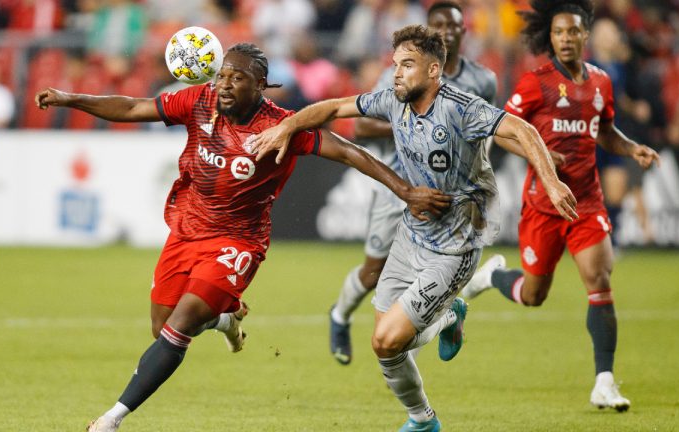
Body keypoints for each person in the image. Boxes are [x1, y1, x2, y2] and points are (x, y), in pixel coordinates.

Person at [35, 42, 450, 432]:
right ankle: (224, 319)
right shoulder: (199, 101)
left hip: (238, 242)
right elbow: (131, 106)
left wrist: (406, 191)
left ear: (260, 85)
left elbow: (346, 150)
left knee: (178, 327)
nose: (225, 85)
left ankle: (111, 418)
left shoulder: (281, 126)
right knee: (161, 327)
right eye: (222, 76)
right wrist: (72, 98)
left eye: (237, 78)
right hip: (186, 232)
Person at [250, 24, 577, 431]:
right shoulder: (392, 101)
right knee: (386, 346)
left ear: (434, 70)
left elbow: (523, 130)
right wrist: (287, 126)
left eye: (407, 65)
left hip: (456, 244)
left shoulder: (461, 107)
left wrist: (551, 179)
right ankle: (425, 408)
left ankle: (426, 409)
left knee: (388, 340)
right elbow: (334, 108)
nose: (397, 73)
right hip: (412, 233)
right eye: (395, 64)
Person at [460, 0, 660, 412]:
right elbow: (501, 133)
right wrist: (540, 156)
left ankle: (604, 381)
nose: (566, 39)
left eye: (572, 32)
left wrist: (631, 148)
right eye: (558, 33)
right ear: (549, 38)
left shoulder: (602, 82)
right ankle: (492, 277)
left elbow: (603, 131)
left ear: (585, 34)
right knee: (533, 295)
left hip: (586, 200)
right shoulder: (536, 83)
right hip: (544, 204)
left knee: (598, 277)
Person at [328, 0, 500, 366]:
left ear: (462, 32)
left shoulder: (481, 80)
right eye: (437, 25)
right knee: (373, 270)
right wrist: (417, 117)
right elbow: (360, 124)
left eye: (452, 26)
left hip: (447, 193)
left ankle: (440, 316)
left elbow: (487, 132)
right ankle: (340, 315)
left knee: (419, 296)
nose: (445, 31)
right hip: (398, 183)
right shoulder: (404, 71)